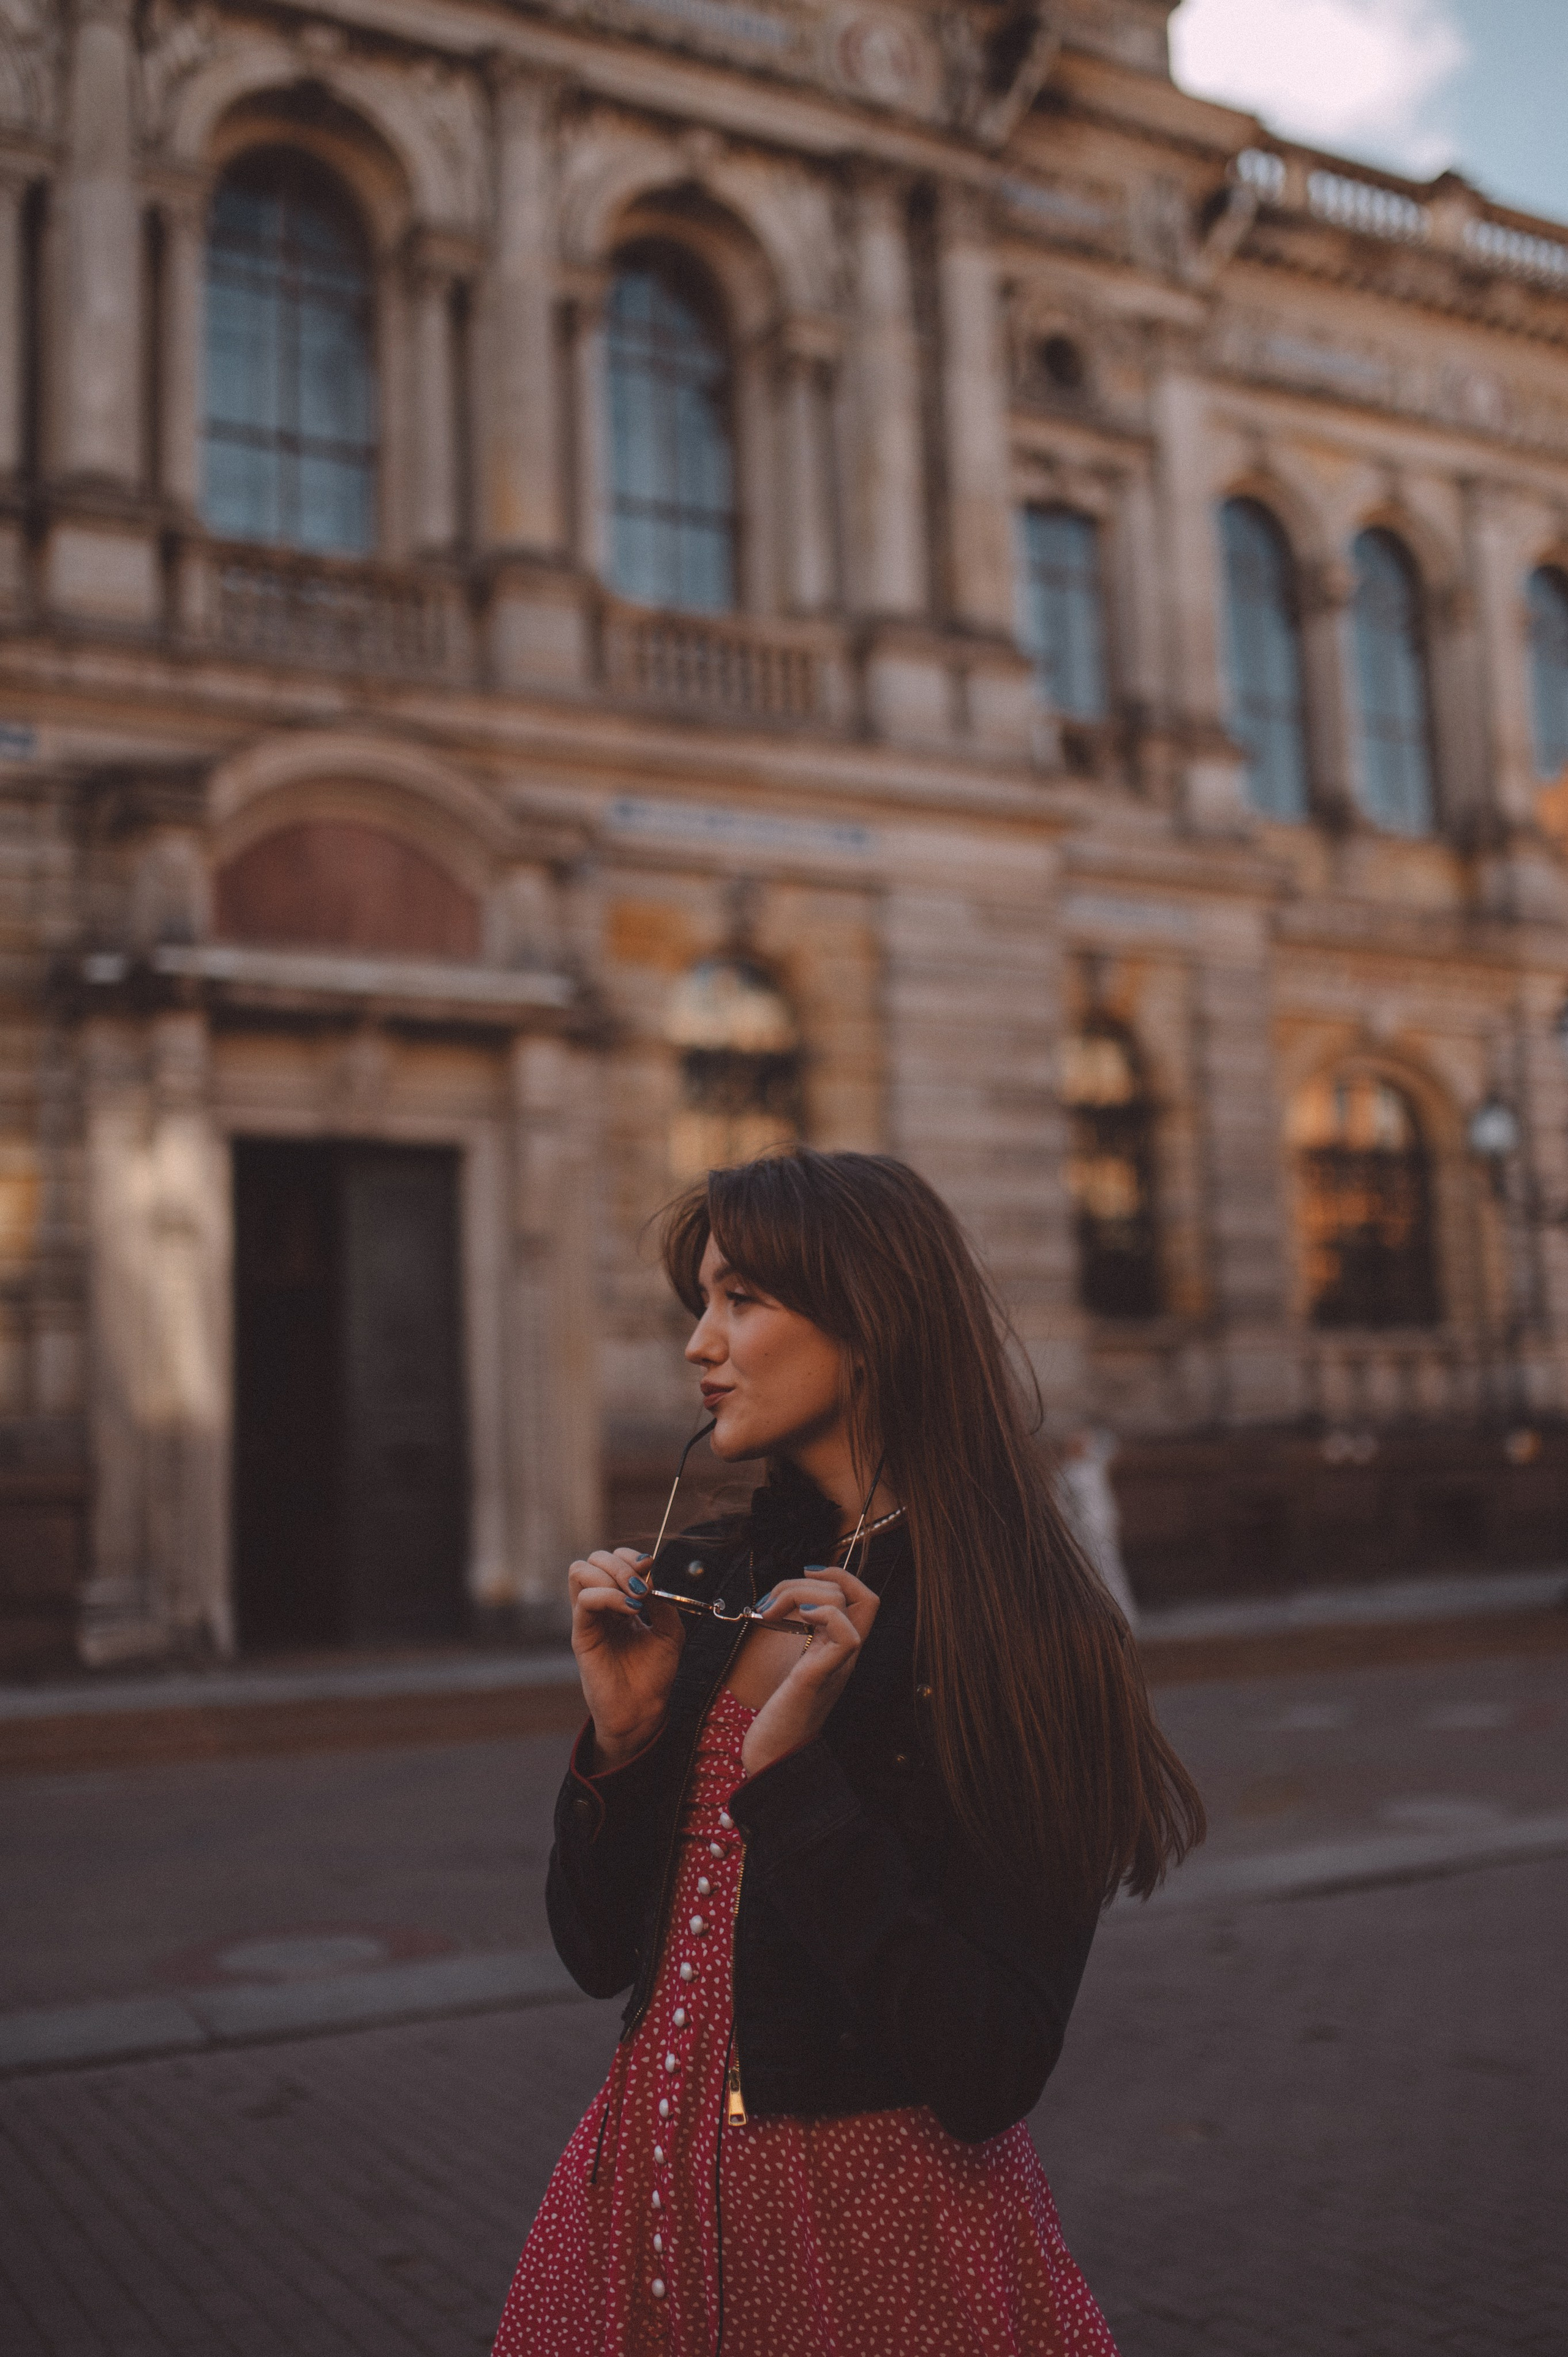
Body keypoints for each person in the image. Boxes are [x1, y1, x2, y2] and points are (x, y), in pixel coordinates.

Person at [492, 1148, 1204, 2357]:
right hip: (633, 2210)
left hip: (862, 2249)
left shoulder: (1023, 1632)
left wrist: (793, 1781)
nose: (696, 1344)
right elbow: (595, 1952)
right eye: (699, 1302)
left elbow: (988, 2063)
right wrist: (620, 1739)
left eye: (742, 1299)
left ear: (870, 1324)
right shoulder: (710, 1585)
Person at [1053, 1425, 1140, 1635]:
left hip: (1102, 1530)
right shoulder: (1065, 1474)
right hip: (1081, 1534)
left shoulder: (1093, 1467)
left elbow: (1110, 1444)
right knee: (1088, 1574)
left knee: (1111, 1572)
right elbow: (1060, 1507)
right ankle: (1095, 1621)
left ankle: (1125, 1619)